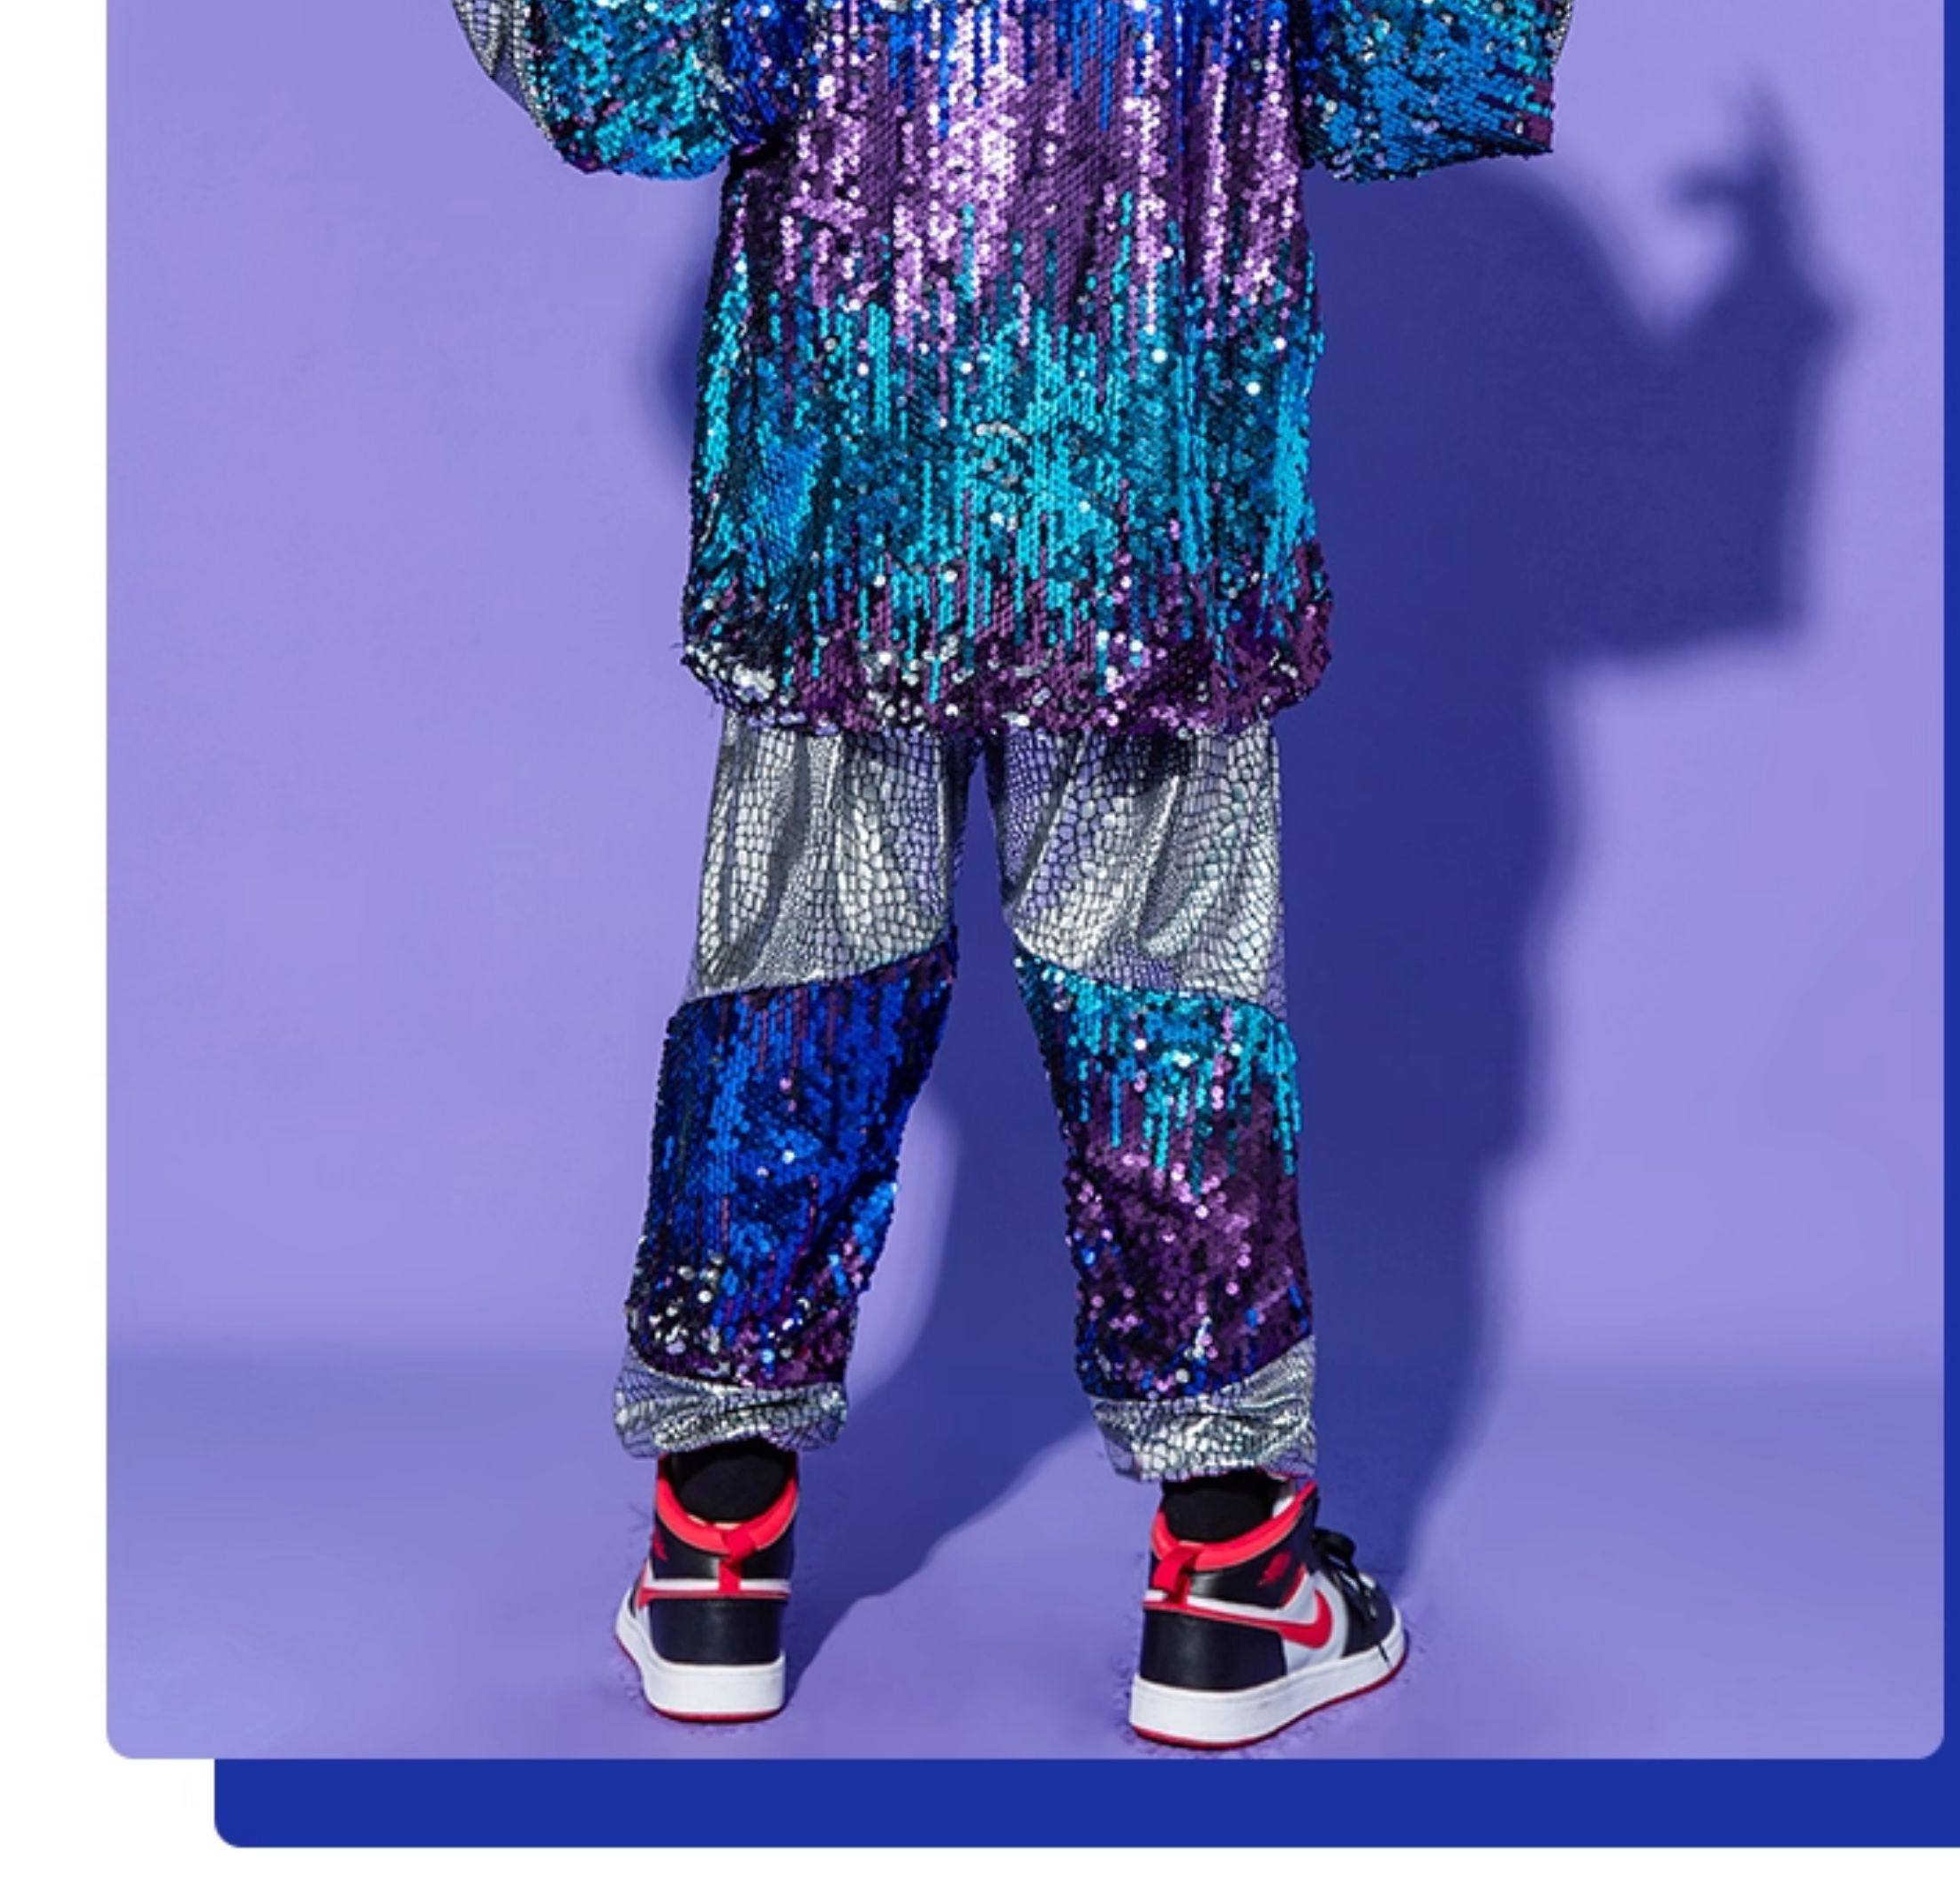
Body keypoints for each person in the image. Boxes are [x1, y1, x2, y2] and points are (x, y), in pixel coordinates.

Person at [453, 0, 1569, 1748]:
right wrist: (1763, 331)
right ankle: (1230, 1581)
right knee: (1167, 1009)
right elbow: (1418, 69)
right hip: (1152, 495)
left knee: (797, 980)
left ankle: (715, 1548)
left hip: (850, 491)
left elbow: (630, 78)